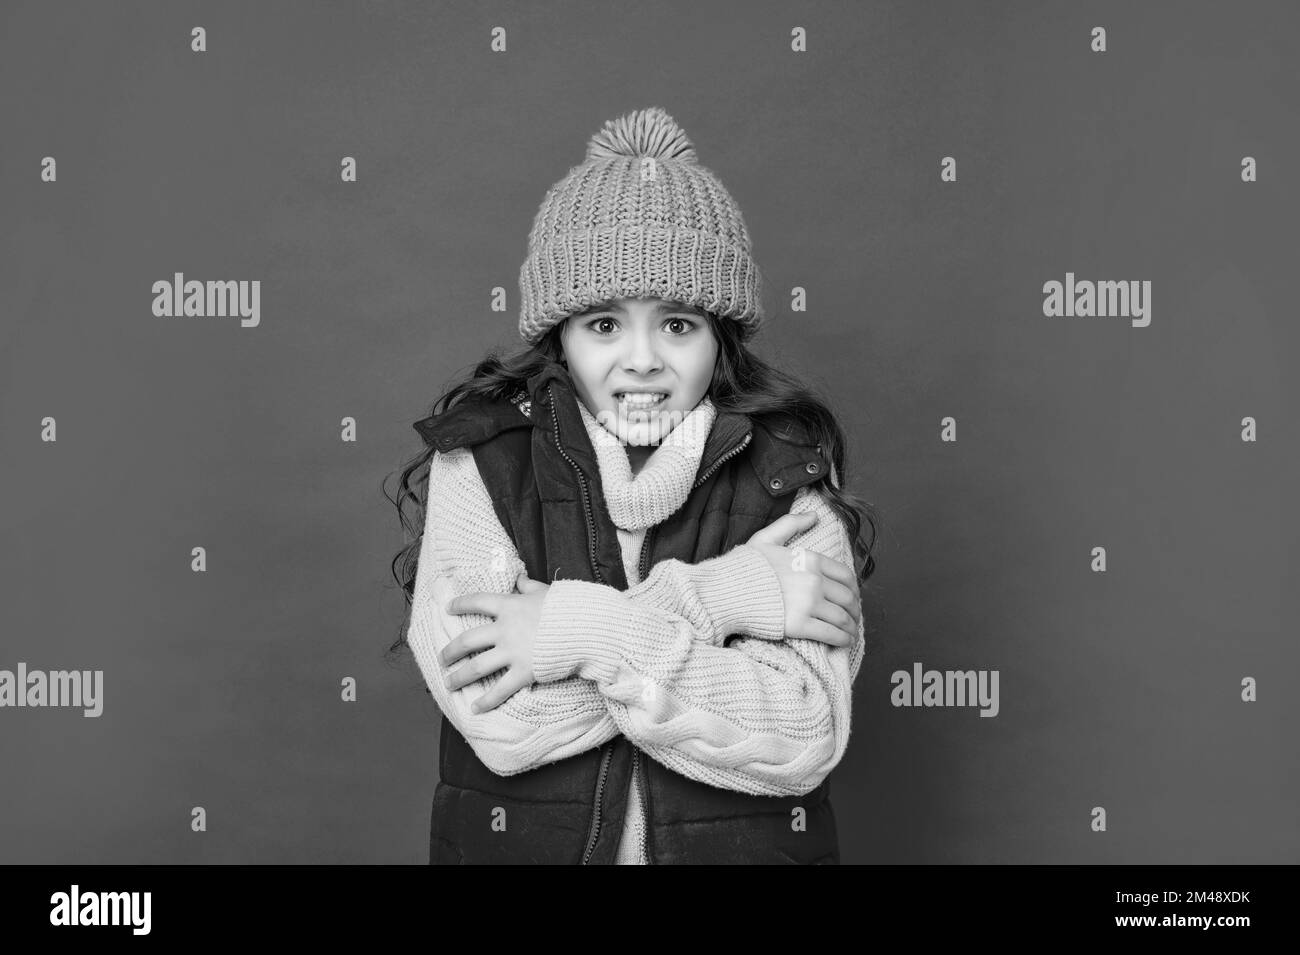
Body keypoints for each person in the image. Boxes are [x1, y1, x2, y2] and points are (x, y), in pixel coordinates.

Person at [387, 106, 879, 864]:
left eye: (678, 323)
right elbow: (505, 721)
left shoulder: (789, 475)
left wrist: (567, 632)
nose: (642, 359)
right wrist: (727, 595)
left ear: (720, 338)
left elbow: (801, 733)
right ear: (560, 335)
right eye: (605, 325)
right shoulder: (480, 462)